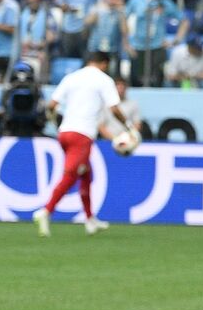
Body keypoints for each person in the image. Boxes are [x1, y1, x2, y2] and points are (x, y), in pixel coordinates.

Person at [32, 50, 135, 238]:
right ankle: (46, 211)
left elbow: (52, 105)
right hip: (82, 134)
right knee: (71, 175)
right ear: (104, 64)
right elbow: (114, 109)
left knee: (86, 174)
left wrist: (55, 123)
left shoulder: (71, 77)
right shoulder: (104, 80)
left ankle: (90, 220)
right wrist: (128, 126)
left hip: (65, 133)